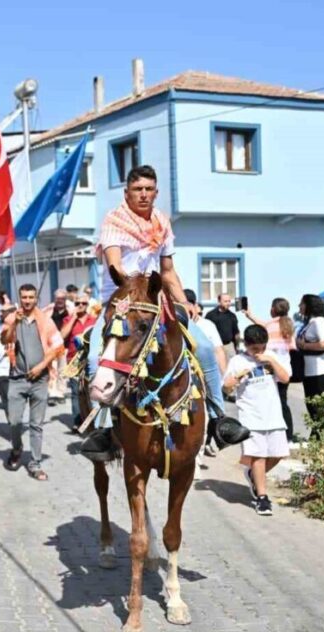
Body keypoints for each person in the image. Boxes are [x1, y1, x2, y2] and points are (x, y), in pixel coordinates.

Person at [82, 165, 243, 461]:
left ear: (156, 192)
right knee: (95, 357)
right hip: (121, 303)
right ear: (126, 193)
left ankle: (219, 419)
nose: (143, 195)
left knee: (205, 348)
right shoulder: (114, 221)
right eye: (137, 189)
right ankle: (104, 431)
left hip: (157, 304)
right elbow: (115, 265)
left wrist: (185, 303)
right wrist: (135, 290)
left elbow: (168, 271)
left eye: (149, 189)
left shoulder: (161, 222)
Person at [225, 325, 290, 516]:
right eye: (255, 349)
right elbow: (227, 387)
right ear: (246, 345)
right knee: (258, 456)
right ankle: (262, 498)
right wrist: (237, 377)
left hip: (273, 415)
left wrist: (269, 360)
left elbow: (285, 378)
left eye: (262, 348)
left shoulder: (270, 357)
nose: (258, 353)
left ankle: (254, 475)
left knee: (278, 454)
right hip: (251, 416)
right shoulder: (237, 360)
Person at [1, 284, 64, 480]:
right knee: (14, 421)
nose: (27, 301)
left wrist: (42, 366)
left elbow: (58, 346)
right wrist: (14, 324)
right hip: (17, 378)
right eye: (24, 297)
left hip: (40, 379)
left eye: (31, 297)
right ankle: (17, 448)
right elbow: (5, 340)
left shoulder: (46, 320)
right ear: (19, 298)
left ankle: (35, 463)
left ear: (36, 298)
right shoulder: (12, 318)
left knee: (36, 424)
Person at [185, 289, 228, 457]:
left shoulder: (207, 326)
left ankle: (221, 422)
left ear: (195, 306)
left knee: (207, 416)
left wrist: (224, 376)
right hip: (182, 374)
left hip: (202, 376)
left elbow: (218, 351)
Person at [245, 298, 295, 440]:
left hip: (273, 369)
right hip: (285, 369)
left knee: (275, 403)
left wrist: (249, 315)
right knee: (283, 403)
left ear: (273, 309)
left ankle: (279, 433)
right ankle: (289, 435)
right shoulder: (288, 325)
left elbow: (262, 327)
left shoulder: (270, 326)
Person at [296, 293, 324, 437]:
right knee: (312, 405)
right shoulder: (309, 322)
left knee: (321, 405)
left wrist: (305, 346)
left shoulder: (320, 322)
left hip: (320, 370)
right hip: (309, 371)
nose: (299, 307)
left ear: (309, 305)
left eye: (302, 303)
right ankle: (318, 433)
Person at [59, 290, 98, 432]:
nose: (81, 305)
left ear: (88, 304)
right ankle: (77, 421)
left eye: (84, 303)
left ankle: (93, 420)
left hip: (91, 360)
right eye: (78, 303)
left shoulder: (94, 320)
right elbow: (62, 336)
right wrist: (74, 317)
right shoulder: (68, 319)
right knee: (76, 392)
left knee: (91, 391)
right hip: (74, 361)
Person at [205, 293, 241, 362]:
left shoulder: (232, 316)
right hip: (215, 347)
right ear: (219, 302)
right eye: (225, 301)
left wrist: (236, 347)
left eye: (229, 301)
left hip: (229, 346)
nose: (228, 303)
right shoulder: (211, 315)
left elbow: (236, 333)